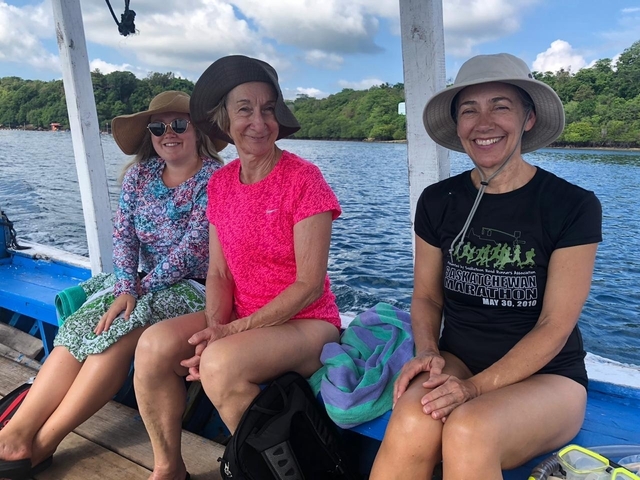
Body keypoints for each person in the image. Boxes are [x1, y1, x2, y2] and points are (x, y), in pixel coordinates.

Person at [370, 53, 602, 479]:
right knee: (411, 419)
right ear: (458, 126)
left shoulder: (572, 206)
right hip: (459, 360)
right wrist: (427, 352)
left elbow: (555, 325)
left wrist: (474, 389)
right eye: (469, 110)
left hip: (548, 379)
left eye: (500, 106)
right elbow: (425, 296)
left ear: (528, 119)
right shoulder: (439, 201)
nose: (484, 122)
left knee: (469, 429)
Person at [133, 55, 342, 480]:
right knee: (154, 346)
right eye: (245, 109)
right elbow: (219, 275)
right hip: (244, 320)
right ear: (223, 121)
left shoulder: (305, 179)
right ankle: (168, 468)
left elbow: (308, 284)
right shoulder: (221, 183)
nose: (259, 122)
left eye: (268, 109)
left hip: (307, 322)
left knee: (220, 364)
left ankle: (274, 470)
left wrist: (226, 336)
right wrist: (213, 327)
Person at [0, 91, 225, 480]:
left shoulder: (215, 180)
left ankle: (42, 445)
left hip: (194, 287)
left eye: (179, 124)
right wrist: (125, 287)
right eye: (158, 126)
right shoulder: (140, 176)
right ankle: (15, 434)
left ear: (199, 129)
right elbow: (123, 238)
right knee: (80, 326)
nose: (167, 133)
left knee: (116, 330)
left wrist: (136, 291)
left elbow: (193, 250)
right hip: (139, 284)